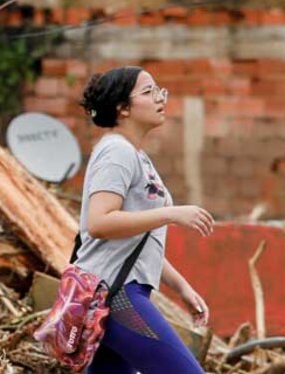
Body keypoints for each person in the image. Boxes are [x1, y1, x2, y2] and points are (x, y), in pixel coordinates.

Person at [76, 66, 214, 373]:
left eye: (159, 91)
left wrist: (182, 287)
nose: (160, 98)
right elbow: (99, 222)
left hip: (118, 294)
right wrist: (171, 213)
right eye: (148, 92)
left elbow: (136, 242)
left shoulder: (135, 155)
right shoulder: (116, 152)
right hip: (116, 297)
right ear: (122, 108)